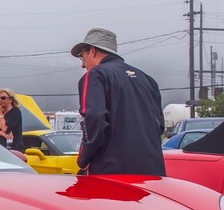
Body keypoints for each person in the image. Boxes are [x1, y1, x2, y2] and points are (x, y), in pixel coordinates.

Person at [71, 28, 166, 176]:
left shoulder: (96, 75)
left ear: (93, 51)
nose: (82, 65)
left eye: (82, 56)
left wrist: (83, 159)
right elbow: (159, 126)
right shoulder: (147, 79)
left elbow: (95, 118)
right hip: (153, 174)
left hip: (112, 174)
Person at [0, 88, 24, 152]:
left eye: (3, 98)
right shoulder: (1, 114)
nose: (0, 100)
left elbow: (5, 129)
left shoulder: (15, 112)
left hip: (14, 150)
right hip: (0, 149)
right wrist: (1, 133)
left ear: (10, 99)